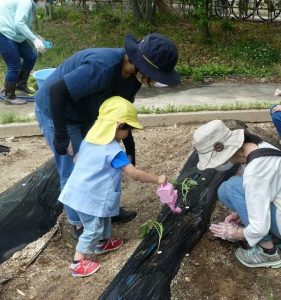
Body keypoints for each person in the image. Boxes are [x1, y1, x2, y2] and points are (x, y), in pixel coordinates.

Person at [34, 32, 180, 238]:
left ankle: (103, 212)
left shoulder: (132, 80)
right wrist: (60, 135)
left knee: (101, 164)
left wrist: (130, 149)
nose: (154, 80)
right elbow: (57, 91)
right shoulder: (102, 67)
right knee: (76, 167)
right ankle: (79, 223)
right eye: (154, 74)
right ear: (138, 63)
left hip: (88, 113)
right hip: (58, 110)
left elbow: (122, 114)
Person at [58, 96, 167, 277]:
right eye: (129, 129)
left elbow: (77, 159)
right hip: (89, 198)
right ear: (119, 126)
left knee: (104, 217)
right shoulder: (114, 152)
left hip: (81, 192)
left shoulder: (89, 140)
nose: (128, 134)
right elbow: (135, 174)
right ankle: (77, 263)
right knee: (93, 228)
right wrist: (158, 179)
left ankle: (102, 244)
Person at [192, 120, 281, 268]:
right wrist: (242, 211)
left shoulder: (255, 173)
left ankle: (268, 251)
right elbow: (269, 189)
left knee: (232, 187)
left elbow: (259, 227)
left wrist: (235, 233)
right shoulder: (261, 147)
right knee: (227, 188)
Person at [0, 0, 45, 105]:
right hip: (4, 33)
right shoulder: (26, 3)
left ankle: (20, 84)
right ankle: (9, 96)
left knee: (31, 56)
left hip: (14, 33)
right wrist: (34, 40)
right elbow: (19, 23)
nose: (45, 3)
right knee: (14, 66)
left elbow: (23, 24)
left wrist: (35, 36)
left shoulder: (29, 4)